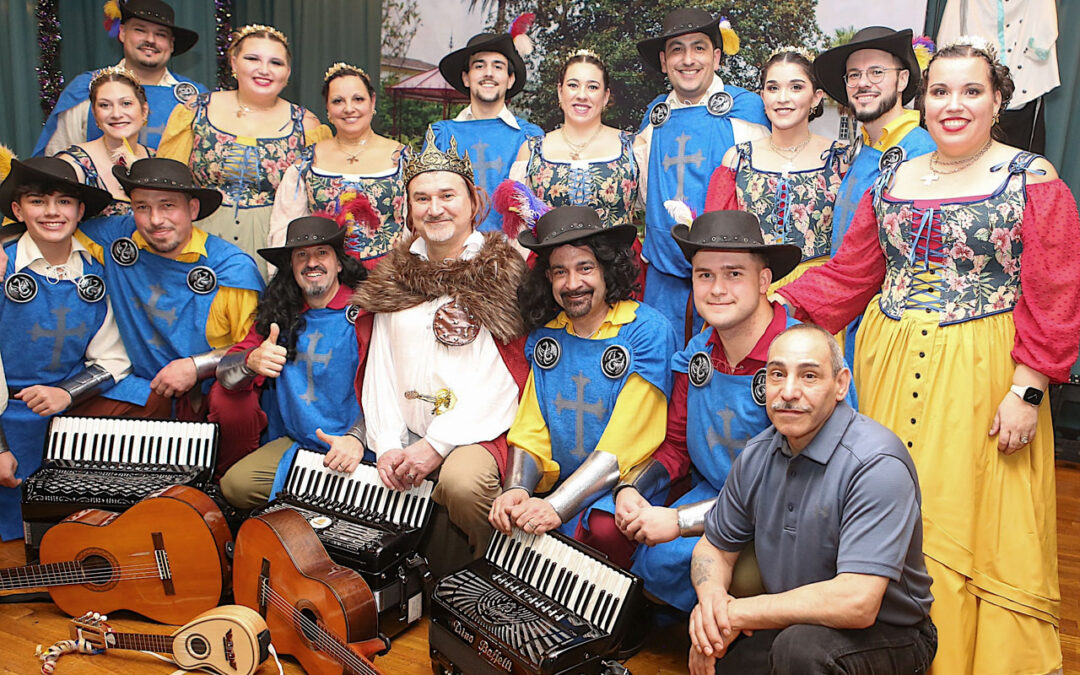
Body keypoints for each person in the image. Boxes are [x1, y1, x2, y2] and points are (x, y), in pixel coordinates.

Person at [776, 38, 1080, 675]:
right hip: (889, 362)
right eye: (940, 91)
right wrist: (768, 297)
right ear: (923, 99)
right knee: (887, 506)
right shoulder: (893, 174)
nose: (954, 105)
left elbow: (1054, 294)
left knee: (967, 517)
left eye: (972, 91)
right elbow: (854, 273)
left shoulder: (1033, 178)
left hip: (983, 369)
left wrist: (1028, 391)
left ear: (999, 100)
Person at [688, 324, 936, 675]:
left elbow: (858, 603)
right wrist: (712, 606)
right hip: (799, 621)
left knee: (800, 651)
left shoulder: (876, 463)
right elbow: (713, 548)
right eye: (777, 374)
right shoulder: (757, 454)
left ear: (840, 384)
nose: (788, 392)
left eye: (808, 376)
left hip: (892, 633)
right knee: (722, 653)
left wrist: (737, 613)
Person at [614, 210, 808, 611]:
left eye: (734, 273)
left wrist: (680, 521)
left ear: (764, 281)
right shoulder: (697, 354)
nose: (717, 289)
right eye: (705, 275)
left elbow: (795, 482)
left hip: (785, 517)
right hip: (713, 496)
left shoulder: (801, 358)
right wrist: (633, 488)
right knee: (655, 557)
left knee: (749, 578)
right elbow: (676, 446)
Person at [352, 129, 529, 557]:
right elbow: (382, 368)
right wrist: (389, 444)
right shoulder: (394, 275)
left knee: (462, 483)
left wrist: (437, 445)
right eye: (422, 199)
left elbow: (503, 378)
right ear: (409, 211)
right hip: (411, 428)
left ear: (474, 205)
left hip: (480, 431)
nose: (435, 209)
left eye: (448, 196)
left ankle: (509, 572)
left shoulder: (500, 269)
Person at [488, 205, 675, 570]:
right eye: (560, 272)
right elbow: (531, 424)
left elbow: (624, 443)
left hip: (625, 482)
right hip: (558, 483)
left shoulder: (646, 331)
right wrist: (516, 489)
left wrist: (556, 506)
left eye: (585, 268)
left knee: (605, 529)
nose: (572, 284)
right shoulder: (549, 335)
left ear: (607, 269)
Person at [0, 157, 143, 540]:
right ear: (17, 210)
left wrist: (66, 392)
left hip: (65, 416)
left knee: (71, 535)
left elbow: (111, 356)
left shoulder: (97, 273)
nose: (51, 212)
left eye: (63, 202)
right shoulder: (3, 266)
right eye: (37, 201)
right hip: (4, 419)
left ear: (80, 211)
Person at [76, 158, 263, 422]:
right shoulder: (113, 239)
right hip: (142, 386)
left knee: (235, 408)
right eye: (142, 207)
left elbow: (253, 348)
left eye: (168, 206)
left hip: (211, 388)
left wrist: (196, 367)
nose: (155, 220)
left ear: (193, 209)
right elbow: (54, 228)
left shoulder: (230, 268)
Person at [634, 8, 769, 340]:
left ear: (717, 57)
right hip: (662, 282)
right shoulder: (653, 119)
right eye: (677, 49)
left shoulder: (747, 112)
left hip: (727, 282)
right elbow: (643, 194)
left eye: (699, 47)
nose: (688, 59)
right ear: (664, 62)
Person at [216, 215, 371, 500]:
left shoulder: (368, 312)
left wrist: (358, 437)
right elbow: (226, 374)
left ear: (338, 263)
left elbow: (394, 390)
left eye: (321, 253)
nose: (312, 263)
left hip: (362, 443)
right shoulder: (280, 313)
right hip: (299, 444)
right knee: (236, 486)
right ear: (291, 266)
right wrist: (251, 362)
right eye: (302, 255)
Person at [157, 24, 328, 278]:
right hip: (199, 242)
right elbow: (166, 185)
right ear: (234, 63)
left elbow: (318, 202)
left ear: (288, 73)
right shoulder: (195, 111)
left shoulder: (307, 126)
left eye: (276, 63)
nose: (264, 70)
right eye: (252, 58)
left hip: (271, 248)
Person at [813, 27, 936, 365]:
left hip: (887, 331)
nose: (863, 83)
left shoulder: (919, 152)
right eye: (854, 75)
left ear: (902, 80)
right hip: (846, 315)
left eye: (876, 72)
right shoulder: (862, 149)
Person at [705, 48, 847, 291]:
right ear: (762, 96)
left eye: (796, 87)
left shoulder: (840, 159)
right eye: (773, 88)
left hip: (819, 292)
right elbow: (716, 242)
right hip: (751, 291)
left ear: (816, 97)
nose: (783, 98)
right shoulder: (737, 159)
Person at [269, 63, 407, 270]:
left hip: (389, 281)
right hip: (325, 280)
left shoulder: (403, 159)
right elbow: (285, 228)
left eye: (358, 99)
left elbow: (417, 227)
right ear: (328, 109)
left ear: (372, 102)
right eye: (338, 101)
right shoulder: (306, 163)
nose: (349, 108)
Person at [33, 0, 206, 157]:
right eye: (140, 30)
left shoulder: (196, 98)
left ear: (171, 44)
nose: (150, 40)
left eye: (161, 34)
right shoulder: (85, 88)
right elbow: (59, 159)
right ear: (122, 33)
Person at [509, 50, 639, 231]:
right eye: (573, 85)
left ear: (606, 96)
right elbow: (520, 230)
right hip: (551, 259)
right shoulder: (532, 151)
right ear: (560, 92)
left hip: (618, 258)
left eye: (592, 87)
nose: (582, 95)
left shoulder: (633, 147)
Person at [429, 31, 543, 234]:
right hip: (453, 255)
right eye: (479, 66)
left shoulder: (530, 137)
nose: (488, 73)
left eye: (498, 66)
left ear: (510, 79)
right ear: (466, 77)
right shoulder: (442, 135)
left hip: (513, 254)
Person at [56, 66, 154, 217]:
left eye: (126, 103)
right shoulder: (75, 165)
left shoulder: (156, 159)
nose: (116, 114)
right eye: (105, 105)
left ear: (144, 111)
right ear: (95, 115)